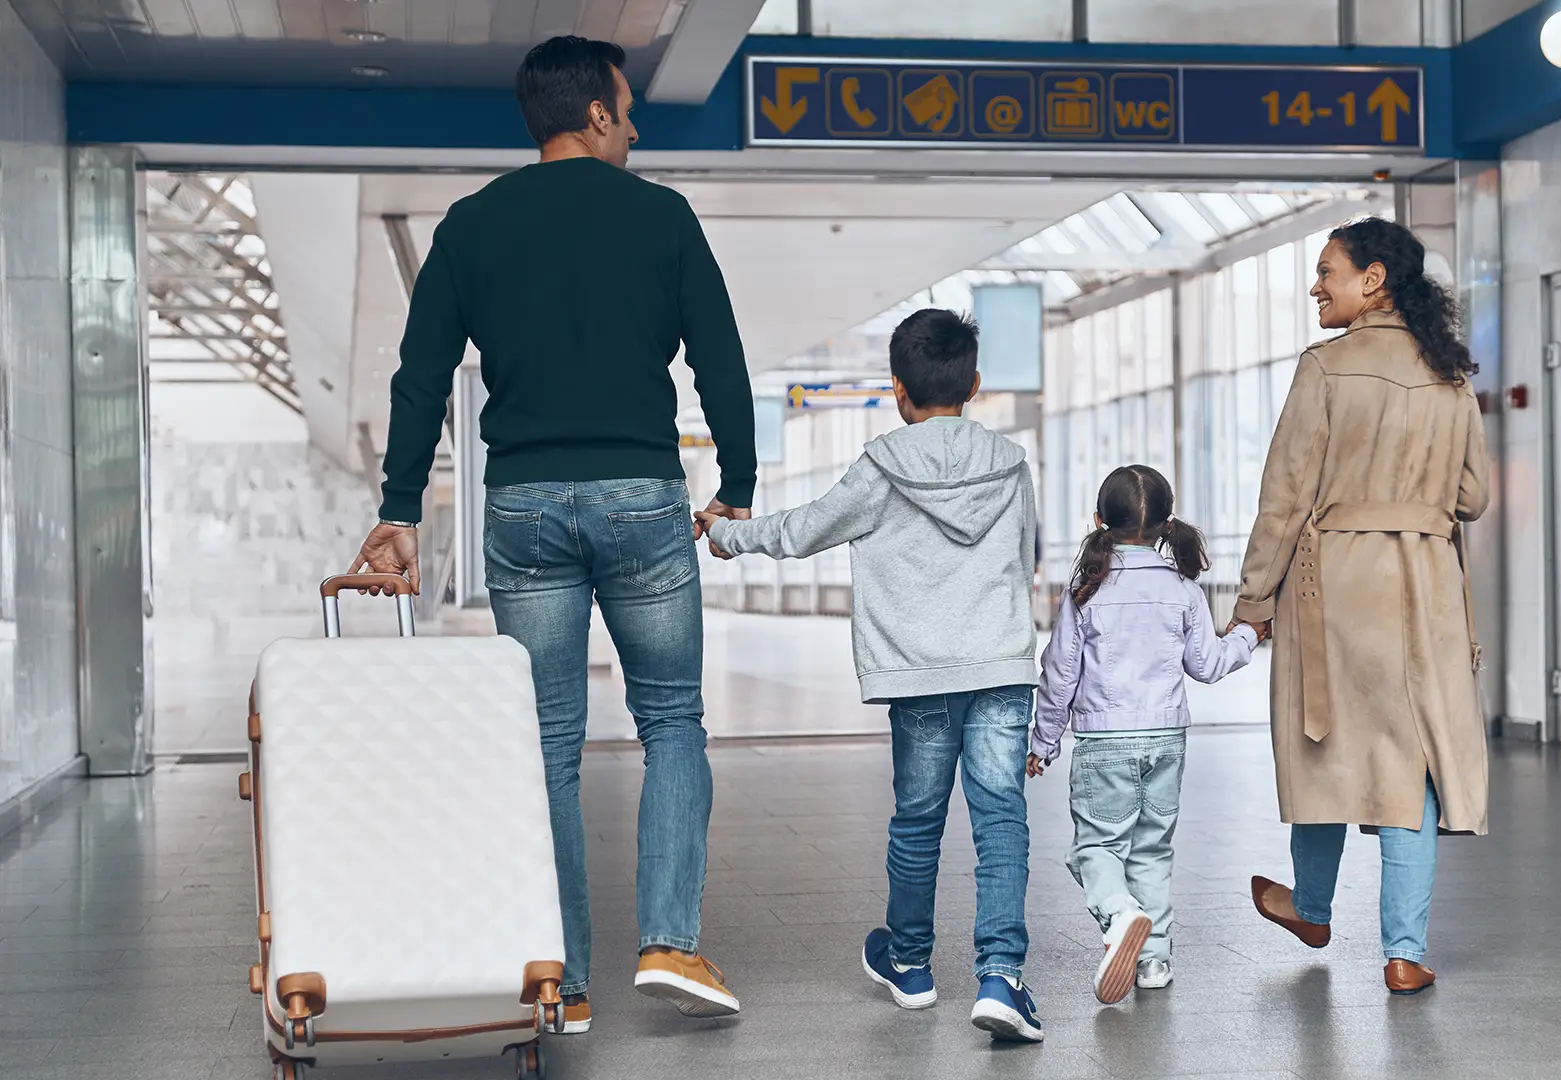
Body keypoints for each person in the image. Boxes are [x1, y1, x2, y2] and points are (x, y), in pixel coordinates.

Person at [349, 35, 755, 1031]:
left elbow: (421, 374)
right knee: (669, 721)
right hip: (640, 498)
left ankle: (562, 983)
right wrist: (736, 482)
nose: (638, 126)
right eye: (629, 109)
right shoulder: (661, 215)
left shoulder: (473, 224)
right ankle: (668, 940)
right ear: (597, 115)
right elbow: (719, 358)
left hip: (524, 503)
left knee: (546, 748)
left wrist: (400, 507)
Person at [698, 310, 1046, 1044]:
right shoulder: (1011, 464)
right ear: (974, 384)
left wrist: (727, 535)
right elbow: (1028, 554)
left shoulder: (882, 465)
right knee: (1001, 822)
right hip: (1000, 664)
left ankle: (912, 965)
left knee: (918, 821)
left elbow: (806, 528)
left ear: (897, 391)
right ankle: (1002, 977)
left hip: (918, 673)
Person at [1231, 216, 1490, 997]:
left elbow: (1284, 497)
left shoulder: (1326, 369)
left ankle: (1312, 907)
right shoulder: (1451, 376)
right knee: (1409, 767)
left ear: (1373, 279)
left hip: (1339, 584)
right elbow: (1473, 498)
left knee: (1326, 741)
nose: (1317, 286)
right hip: (1429, 584)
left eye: (1327, 272)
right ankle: (1404, 953)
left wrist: (1252, 602)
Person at [1026, 464, 1264, 1005]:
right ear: (1166, 523)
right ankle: (1154, 958)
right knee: (1152, 851)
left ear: (1097, 520)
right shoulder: (1183, 589)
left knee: (1096, 848)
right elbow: (1206, 664)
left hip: (1105, 742)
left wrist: (1043, 741)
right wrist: (1248, 635)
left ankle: (1120, 912)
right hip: (1167, 741)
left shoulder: (1087, 587)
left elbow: (1060, 670)